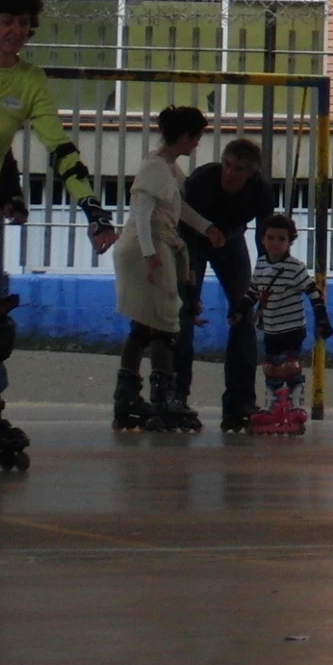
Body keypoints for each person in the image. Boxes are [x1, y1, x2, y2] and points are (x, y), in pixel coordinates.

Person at [0, 0, 116, 470]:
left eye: (25, 24)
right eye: (7, 21)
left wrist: (92, 208)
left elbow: (59, 146)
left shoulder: (29, 80)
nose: (17, 32)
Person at [113, 105, 220, 435]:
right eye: (197, 138)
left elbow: (179, 207)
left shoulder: (167, 167)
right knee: (163, 322)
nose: (197, 144)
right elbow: (142, 212)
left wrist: (206, 228)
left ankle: (128, 399)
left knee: (145, 324)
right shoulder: (155, 168)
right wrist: (150, 256)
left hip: (152, 245)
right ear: (186, 137)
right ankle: (163, 397)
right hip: (147, 246)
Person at [176, 136, 274, 432]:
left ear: (252, 174)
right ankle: (175, 396)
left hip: (231, 242)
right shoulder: (203, 179)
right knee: (183, 315)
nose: (230, 174)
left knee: (243, 315)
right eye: (228, 165)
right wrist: (190, 283)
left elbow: (264, 238)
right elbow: (185, 228)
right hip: (194, 240)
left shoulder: (261, 190)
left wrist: (265, 281)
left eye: (239, 169)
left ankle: (240, 402)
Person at [246, 212, 333, 436]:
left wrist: (322, 320)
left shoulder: (295, 268)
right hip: (271, 327)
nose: (275, 243)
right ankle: (272, 406)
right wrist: (239, 310)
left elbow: (313, 294)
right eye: (271, 238)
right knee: (270, 368)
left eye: (281, 239)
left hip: (293, 327)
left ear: (290, 242)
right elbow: (254, 291)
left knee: (289, 366)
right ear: (262, 239)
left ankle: (296, 407)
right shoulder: (261, 263)